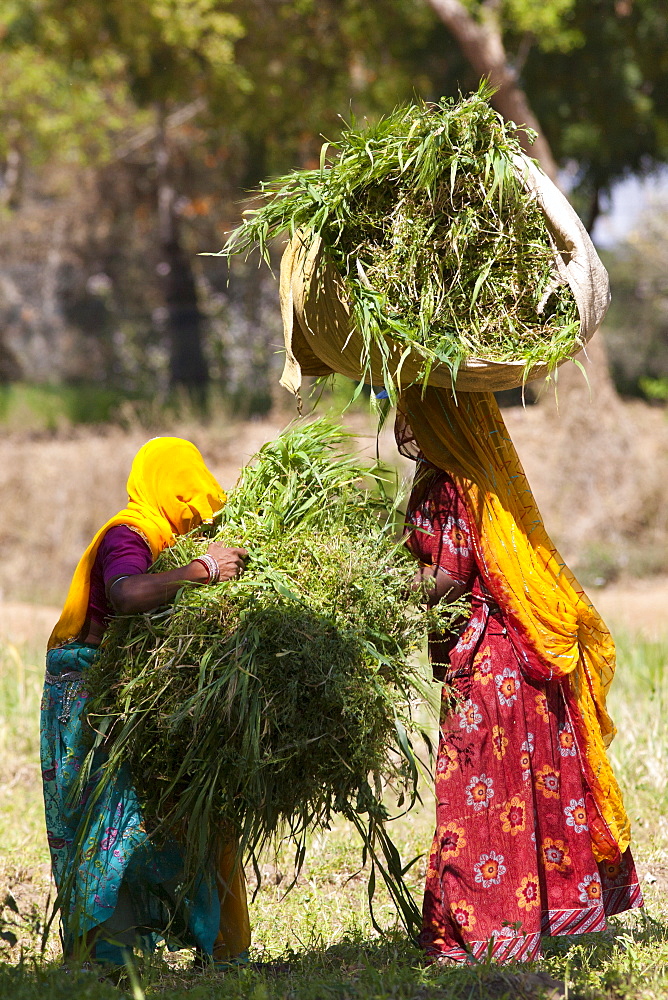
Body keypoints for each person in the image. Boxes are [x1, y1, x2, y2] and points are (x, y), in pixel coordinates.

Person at [399, 385, 643, 964]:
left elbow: (449, 578)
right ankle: (534, 919)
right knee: (522, 790)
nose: (406, 426)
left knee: (478, 796)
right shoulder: (486, 475)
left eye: (416, 414)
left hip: (488, 669)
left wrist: (378, 592)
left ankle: (486, 931)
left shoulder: (448, 483)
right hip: (524, 662)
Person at [41, 436, 250, 971]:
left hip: (117, 690)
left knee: (156, 811)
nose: (195, 514)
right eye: (189, 499)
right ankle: (106, 957)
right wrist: (200, 571)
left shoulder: (159, 540)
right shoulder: (127, 534)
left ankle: (142, 947)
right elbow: (126, 594)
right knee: (110, 821)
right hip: (86, 696)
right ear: (168, 489)